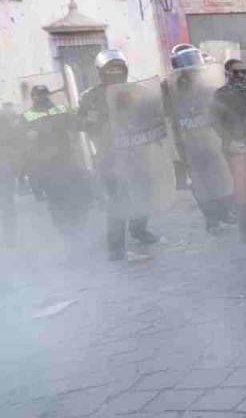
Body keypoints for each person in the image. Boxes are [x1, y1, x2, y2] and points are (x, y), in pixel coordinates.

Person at [78, 50, 159, 260]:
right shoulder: (90, 96)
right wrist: (91, 120)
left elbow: (152, 116)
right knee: (117, 200)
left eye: (119, 68)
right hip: (109, 156)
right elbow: (80, 123)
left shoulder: (137, 91)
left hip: (137, 151)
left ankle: (139, 229)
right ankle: (115, 247)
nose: (115, 73)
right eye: (110, 69)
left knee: (144, 191)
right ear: (101, 71)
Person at [163, 45, 233, 234]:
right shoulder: (169, 90)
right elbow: (169, 116)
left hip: (211, 137)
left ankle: (224, 212)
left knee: (220, 175)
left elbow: (220, 108)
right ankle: (212, 220)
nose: (191, 75)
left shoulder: (208, 86)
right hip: (188, 140)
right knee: (200, 181)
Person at [21, 85, 89, 233]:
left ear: (48, 94)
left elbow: (77, 124)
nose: (41, 97)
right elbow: (21, 141)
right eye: (37, 95)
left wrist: (86, 119)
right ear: (33, 97)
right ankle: (63, 227)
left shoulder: (61, 109)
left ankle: (77, 223)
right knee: (54, 196)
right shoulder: (27, 115)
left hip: (65, 158)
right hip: (45, 164)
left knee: (73, 191)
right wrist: (27, 137)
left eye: (43, 94)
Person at [211, 59, 246, 242]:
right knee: (243, 186)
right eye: (237, 72)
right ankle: (245, 229)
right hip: (236, 143)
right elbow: (216, 121)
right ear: (227, 73)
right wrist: (230, 140)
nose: (241, 76)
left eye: (244, 72)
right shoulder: (221, 95)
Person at [0, 103, 20, 247]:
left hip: (3, 167)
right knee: (7, 204)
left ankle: (9, 238)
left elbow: (13, 141)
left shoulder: (3, 118)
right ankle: (9, 238)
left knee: (6, 203)